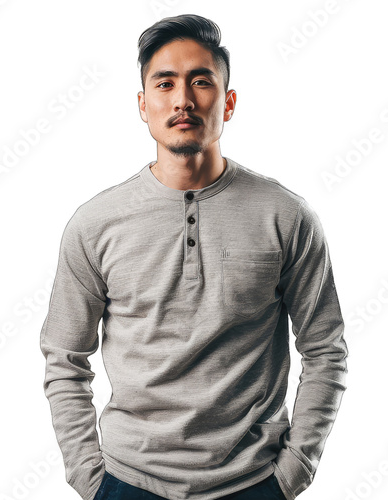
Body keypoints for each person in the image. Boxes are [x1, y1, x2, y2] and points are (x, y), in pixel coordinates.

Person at [40, 13, 348, 500]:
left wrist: (294, 471)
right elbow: (64, 357)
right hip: (127, 482)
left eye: (201, 81)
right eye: (165, 83)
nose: (183, 99)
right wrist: (90, 478)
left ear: (227, 101)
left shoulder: (285, 216)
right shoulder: (94, 224)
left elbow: (326, 349)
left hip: (254, 481)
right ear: (143, 105)